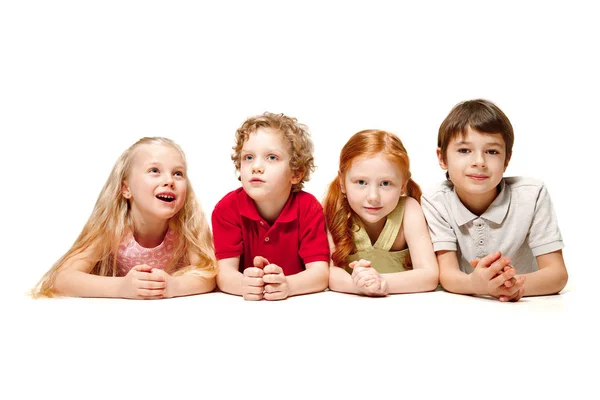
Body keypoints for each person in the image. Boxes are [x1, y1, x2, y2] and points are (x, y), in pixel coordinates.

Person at [33, 137, 217, 299]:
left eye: (178, 173)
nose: (169, 180)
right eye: (154, 170)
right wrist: (121, 287)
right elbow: (63, 278)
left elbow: (209, 274)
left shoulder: (185, 228)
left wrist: (173, 286)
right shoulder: (114, 229)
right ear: (126, 189)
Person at [421, 99, 568, 302]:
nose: (479, 162)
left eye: (492, 152)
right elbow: (447, 274)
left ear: (507, 160)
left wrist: (512, 284)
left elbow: (557, 274)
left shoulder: (532, 195)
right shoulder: (436, 200)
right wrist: (477, 285)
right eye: (464, 150)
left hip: (527, 307)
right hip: (464, 306)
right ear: (442, 158)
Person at [212, 112, 330, 300]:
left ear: (296, 173)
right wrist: (244, 284)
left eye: (272, 157)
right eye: (248, 157)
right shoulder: (227, 208)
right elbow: (224, 274)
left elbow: (321, 274)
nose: (256, 166)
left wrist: (289, 286)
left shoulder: (309, 208)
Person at [324, 129, 439, 296]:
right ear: (342, 182)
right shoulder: (332, 209)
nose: (373, 197)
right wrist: (358, 286)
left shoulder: (409, 210)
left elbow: (429, 275)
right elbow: (327, 272)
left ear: (402, 185)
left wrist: (377, 281)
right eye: (361, 182)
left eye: (385, 183)